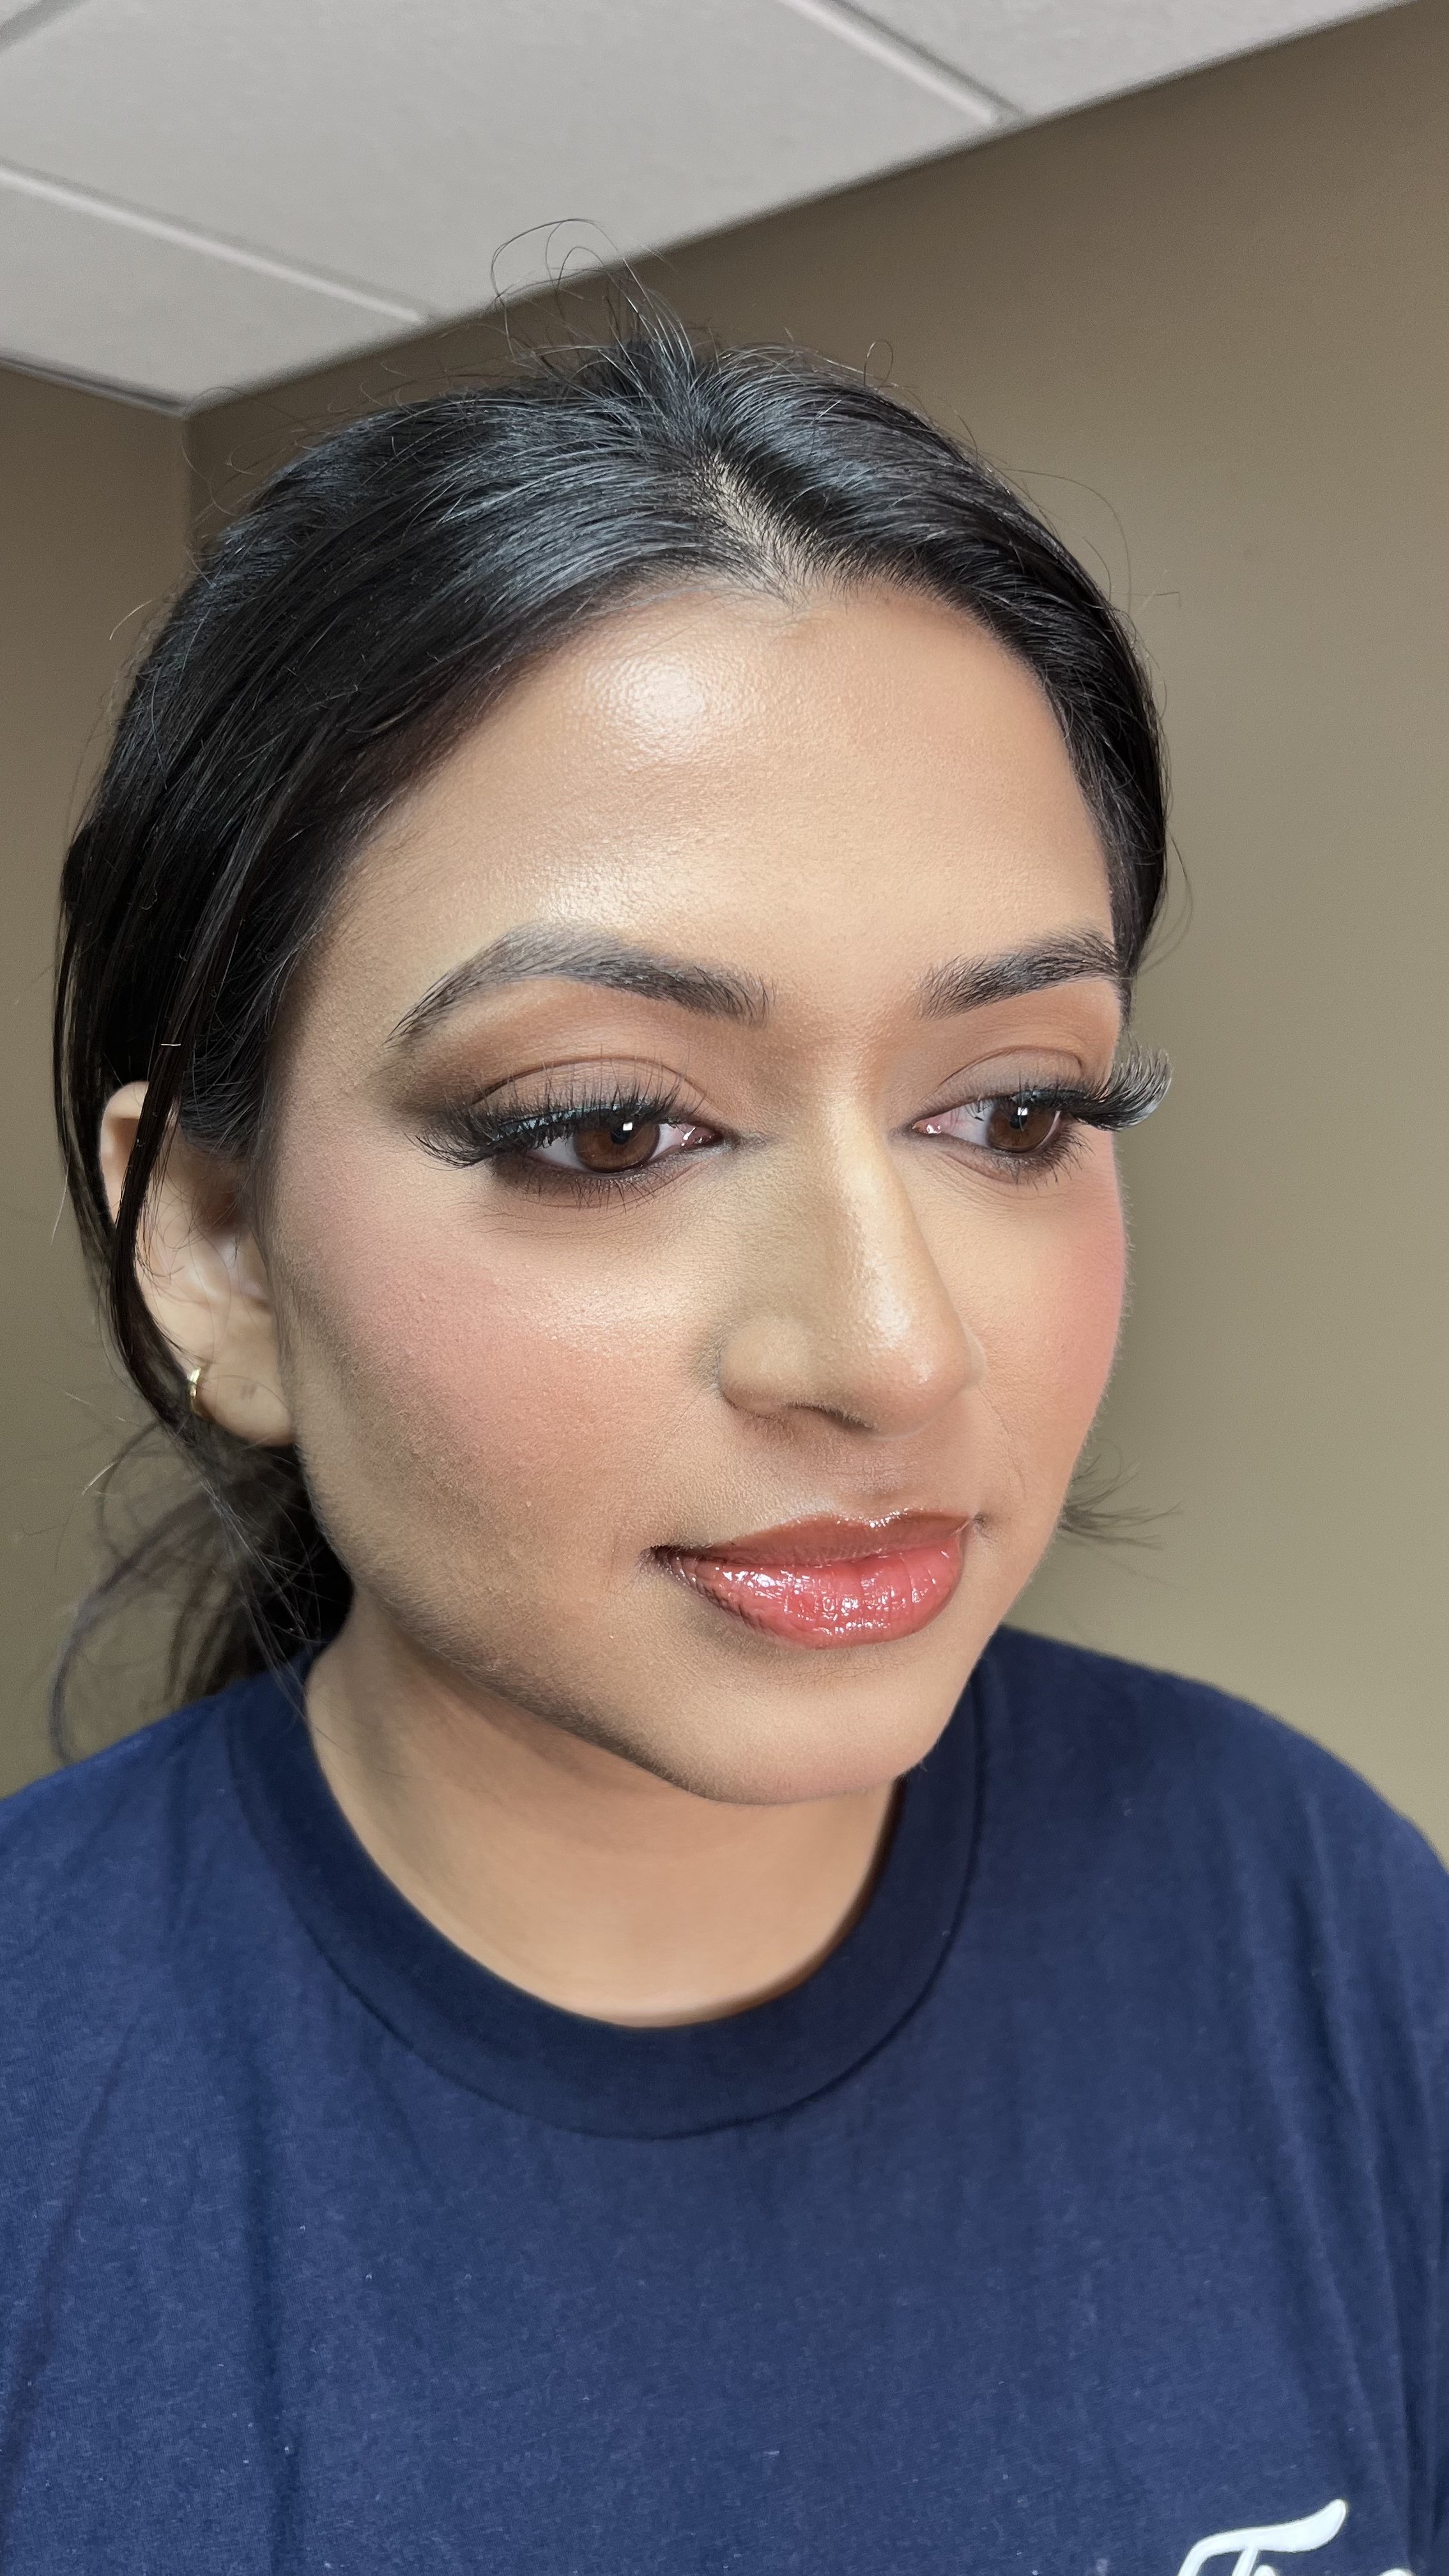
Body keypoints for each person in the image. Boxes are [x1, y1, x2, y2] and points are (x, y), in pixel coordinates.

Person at [1, 324, 1441, 2576]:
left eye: (1015, 1110)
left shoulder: (1304, 1906)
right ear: (215, 1243)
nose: (891, 1352)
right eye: (606, 1128)